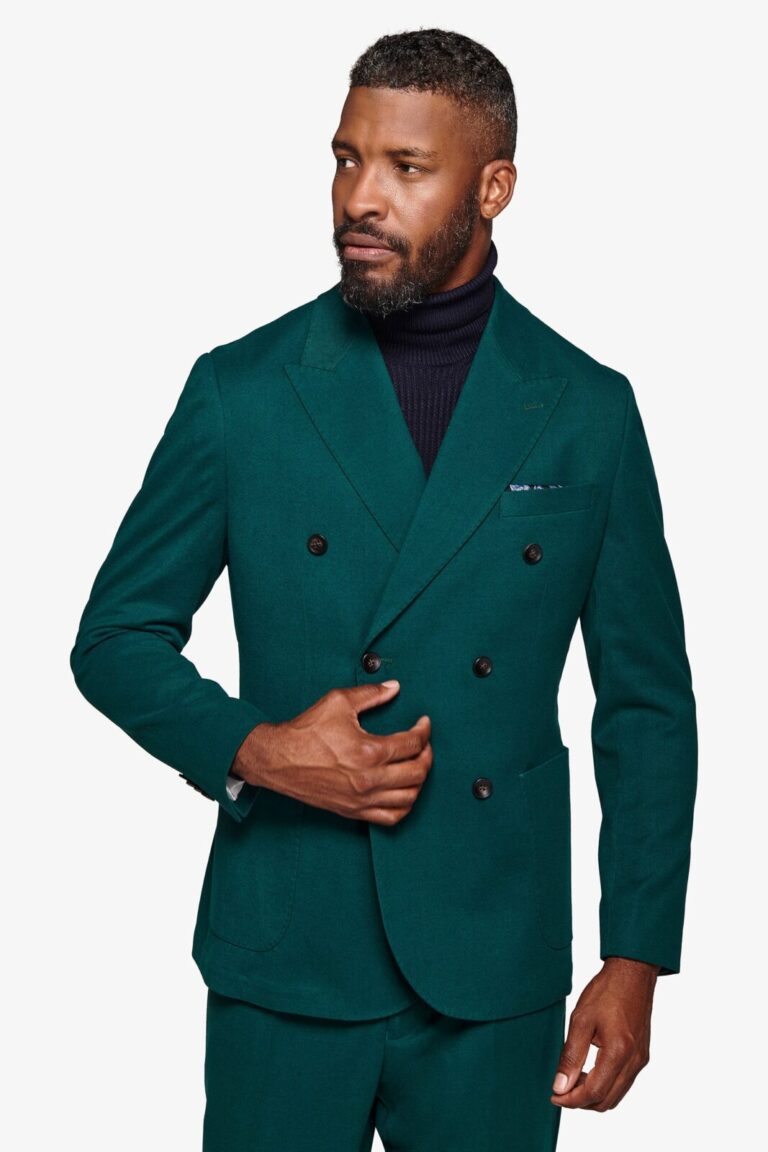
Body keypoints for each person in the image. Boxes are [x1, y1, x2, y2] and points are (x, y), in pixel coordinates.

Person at [69, 27, 698, 1152]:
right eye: (346, 158)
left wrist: (636, 952)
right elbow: (116, 637)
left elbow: (646, 705)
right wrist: (256, 749)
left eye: (407, 167)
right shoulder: (243, 390)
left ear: (493, 188)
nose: (360, 196)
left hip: (494, 961)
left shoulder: (586, 407)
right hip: (288, 946)